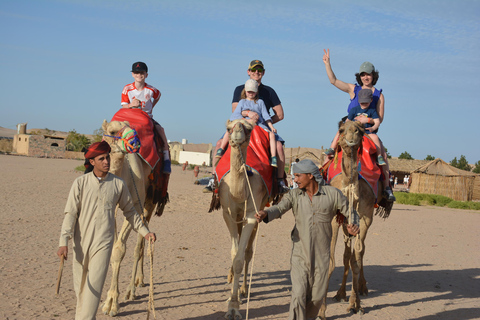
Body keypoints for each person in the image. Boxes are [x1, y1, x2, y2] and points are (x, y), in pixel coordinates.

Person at [57, 141, 156, 320]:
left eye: (107, 157)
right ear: (92, 162)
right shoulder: (80, 183)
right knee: (81, 291)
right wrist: (63, 242)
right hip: (80, 244)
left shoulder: (118, 184)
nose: (106, 161)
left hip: (103, 244)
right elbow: (70, 214)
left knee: (93, 288)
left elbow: (131, 212)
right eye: (101, 158)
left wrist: (145, 232)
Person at [255, 159, 359, 320]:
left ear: (310, 176)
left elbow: (351, 213)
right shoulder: (294, 195)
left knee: (317, 298)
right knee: (298, 295)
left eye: (297, 176)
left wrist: (352, 226)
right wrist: (266, 213)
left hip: (322, 257)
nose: (294, 180)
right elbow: (280, 208)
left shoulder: (333, 194)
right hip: (299, 255)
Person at [322, 49, 395, 201]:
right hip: (350, 130)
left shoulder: (378, 95)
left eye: (368, 74)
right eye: (363, 74)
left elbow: (380, 118)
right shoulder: (353, 89)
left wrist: (366, 121)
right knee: (329, 153)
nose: (365, 77)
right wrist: (327, 64)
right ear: (359, 76)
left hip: (368, 131)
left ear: (373, 75)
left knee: (384, 156)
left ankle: (387, 188)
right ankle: (322, 182)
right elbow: (333, 81)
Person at [205, 59, 287, 192]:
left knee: (278, 146)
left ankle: (280, 182)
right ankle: (213, 178)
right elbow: (235, 110)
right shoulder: (239, 89)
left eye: (259, 70)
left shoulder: (269, 91)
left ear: (263, 73)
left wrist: (264, 122)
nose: (256, 72)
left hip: (261, 126)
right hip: (241, 124)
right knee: (220, 143)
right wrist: (248, 113)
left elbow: (280, 114)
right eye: (253, 70)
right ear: (248, 72)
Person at [121, 61, 171, 173]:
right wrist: (131, 105)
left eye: (142, 73)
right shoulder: (127, 89)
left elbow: (158, 95)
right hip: (131, 117)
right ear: (132, 74)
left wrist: (152, 106)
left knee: (160, 130)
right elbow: (124, 106)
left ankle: (166, 159)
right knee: (112, 129)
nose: (139, 75)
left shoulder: (151, 89)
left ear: (146, 75)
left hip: (146, 118)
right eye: (136, 72)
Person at [216, 79, 279, 167]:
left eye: (253, 91)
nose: (251, 93)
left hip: (258, 124)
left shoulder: (260, 102)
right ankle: (221, 149)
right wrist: (246, 120)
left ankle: (273, 157)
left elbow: (266, 116)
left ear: (256, 92)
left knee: (271, 135)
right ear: (245, 91)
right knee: (229, 130)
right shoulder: (242, 102)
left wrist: (271, 127)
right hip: (243, 123)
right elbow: (234, 115)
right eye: (249, 91)